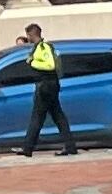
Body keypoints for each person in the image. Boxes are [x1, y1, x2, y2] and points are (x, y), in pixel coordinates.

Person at [16, 22, 77, 158]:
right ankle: (70, 146)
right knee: (57, 116)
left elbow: (50, 65)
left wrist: (32, 62)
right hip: (48, 86)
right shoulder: (39, 47)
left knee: (37, 117)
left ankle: (28, 148)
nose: (28, 39)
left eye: (29, 35)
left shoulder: (43, 47)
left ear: (32, 34)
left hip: (46, 86)